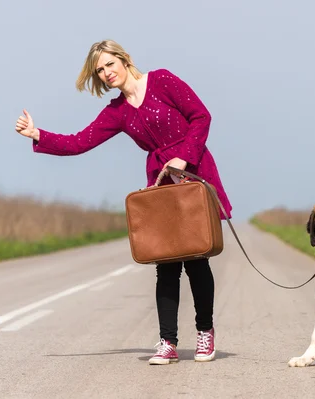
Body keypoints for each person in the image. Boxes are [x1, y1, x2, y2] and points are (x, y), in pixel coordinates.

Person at [14, 39, 232, 365]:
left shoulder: (163, 81)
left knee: (197, 259)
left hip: (194, 173)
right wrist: (37, 134)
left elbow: (201, 116)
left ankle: (205, 332)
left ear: (124, 59)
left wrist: (183, 158)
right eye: (99, 70)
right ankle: (167, 342)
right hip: (160, 185)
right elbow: (78, 142)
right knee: (167, 261)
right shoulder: (117, 111)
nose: (105, 73)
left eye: (108, 65)